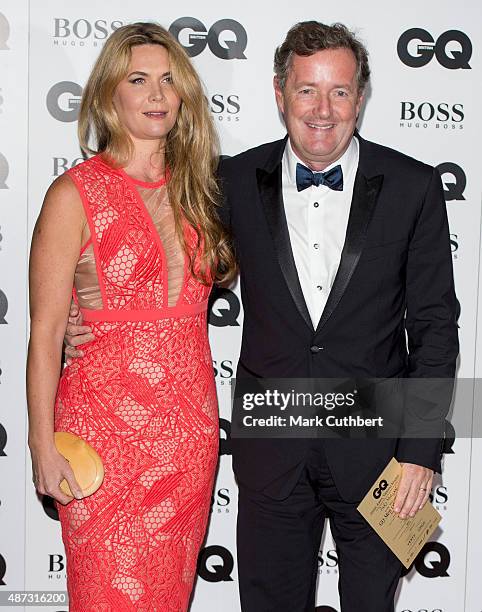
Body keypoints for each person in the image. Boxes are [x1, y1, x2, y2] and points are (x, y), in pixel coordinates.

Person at [65, 21, 458, 612]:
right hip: (272, 450)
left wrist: (420, 452)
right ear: (279, 94)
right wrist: (87, 319)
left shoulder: (413, 186)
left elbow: (434, 330)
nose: (322, 110)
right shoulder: (227, 182)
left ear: (362, 96)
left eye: (339, 91)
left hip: (381, 460)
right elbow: (150, 250)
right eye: (306, 90)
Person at [27, 22, 235, 612]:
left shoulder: (202, 188)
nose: (157, 94)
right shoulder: (73, 195)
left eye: (169, 81)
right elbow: (44, 337)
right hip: (102, 440)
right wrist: (42, 446)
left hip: (188, 437)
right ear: (107, 94)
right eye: (138, 79)